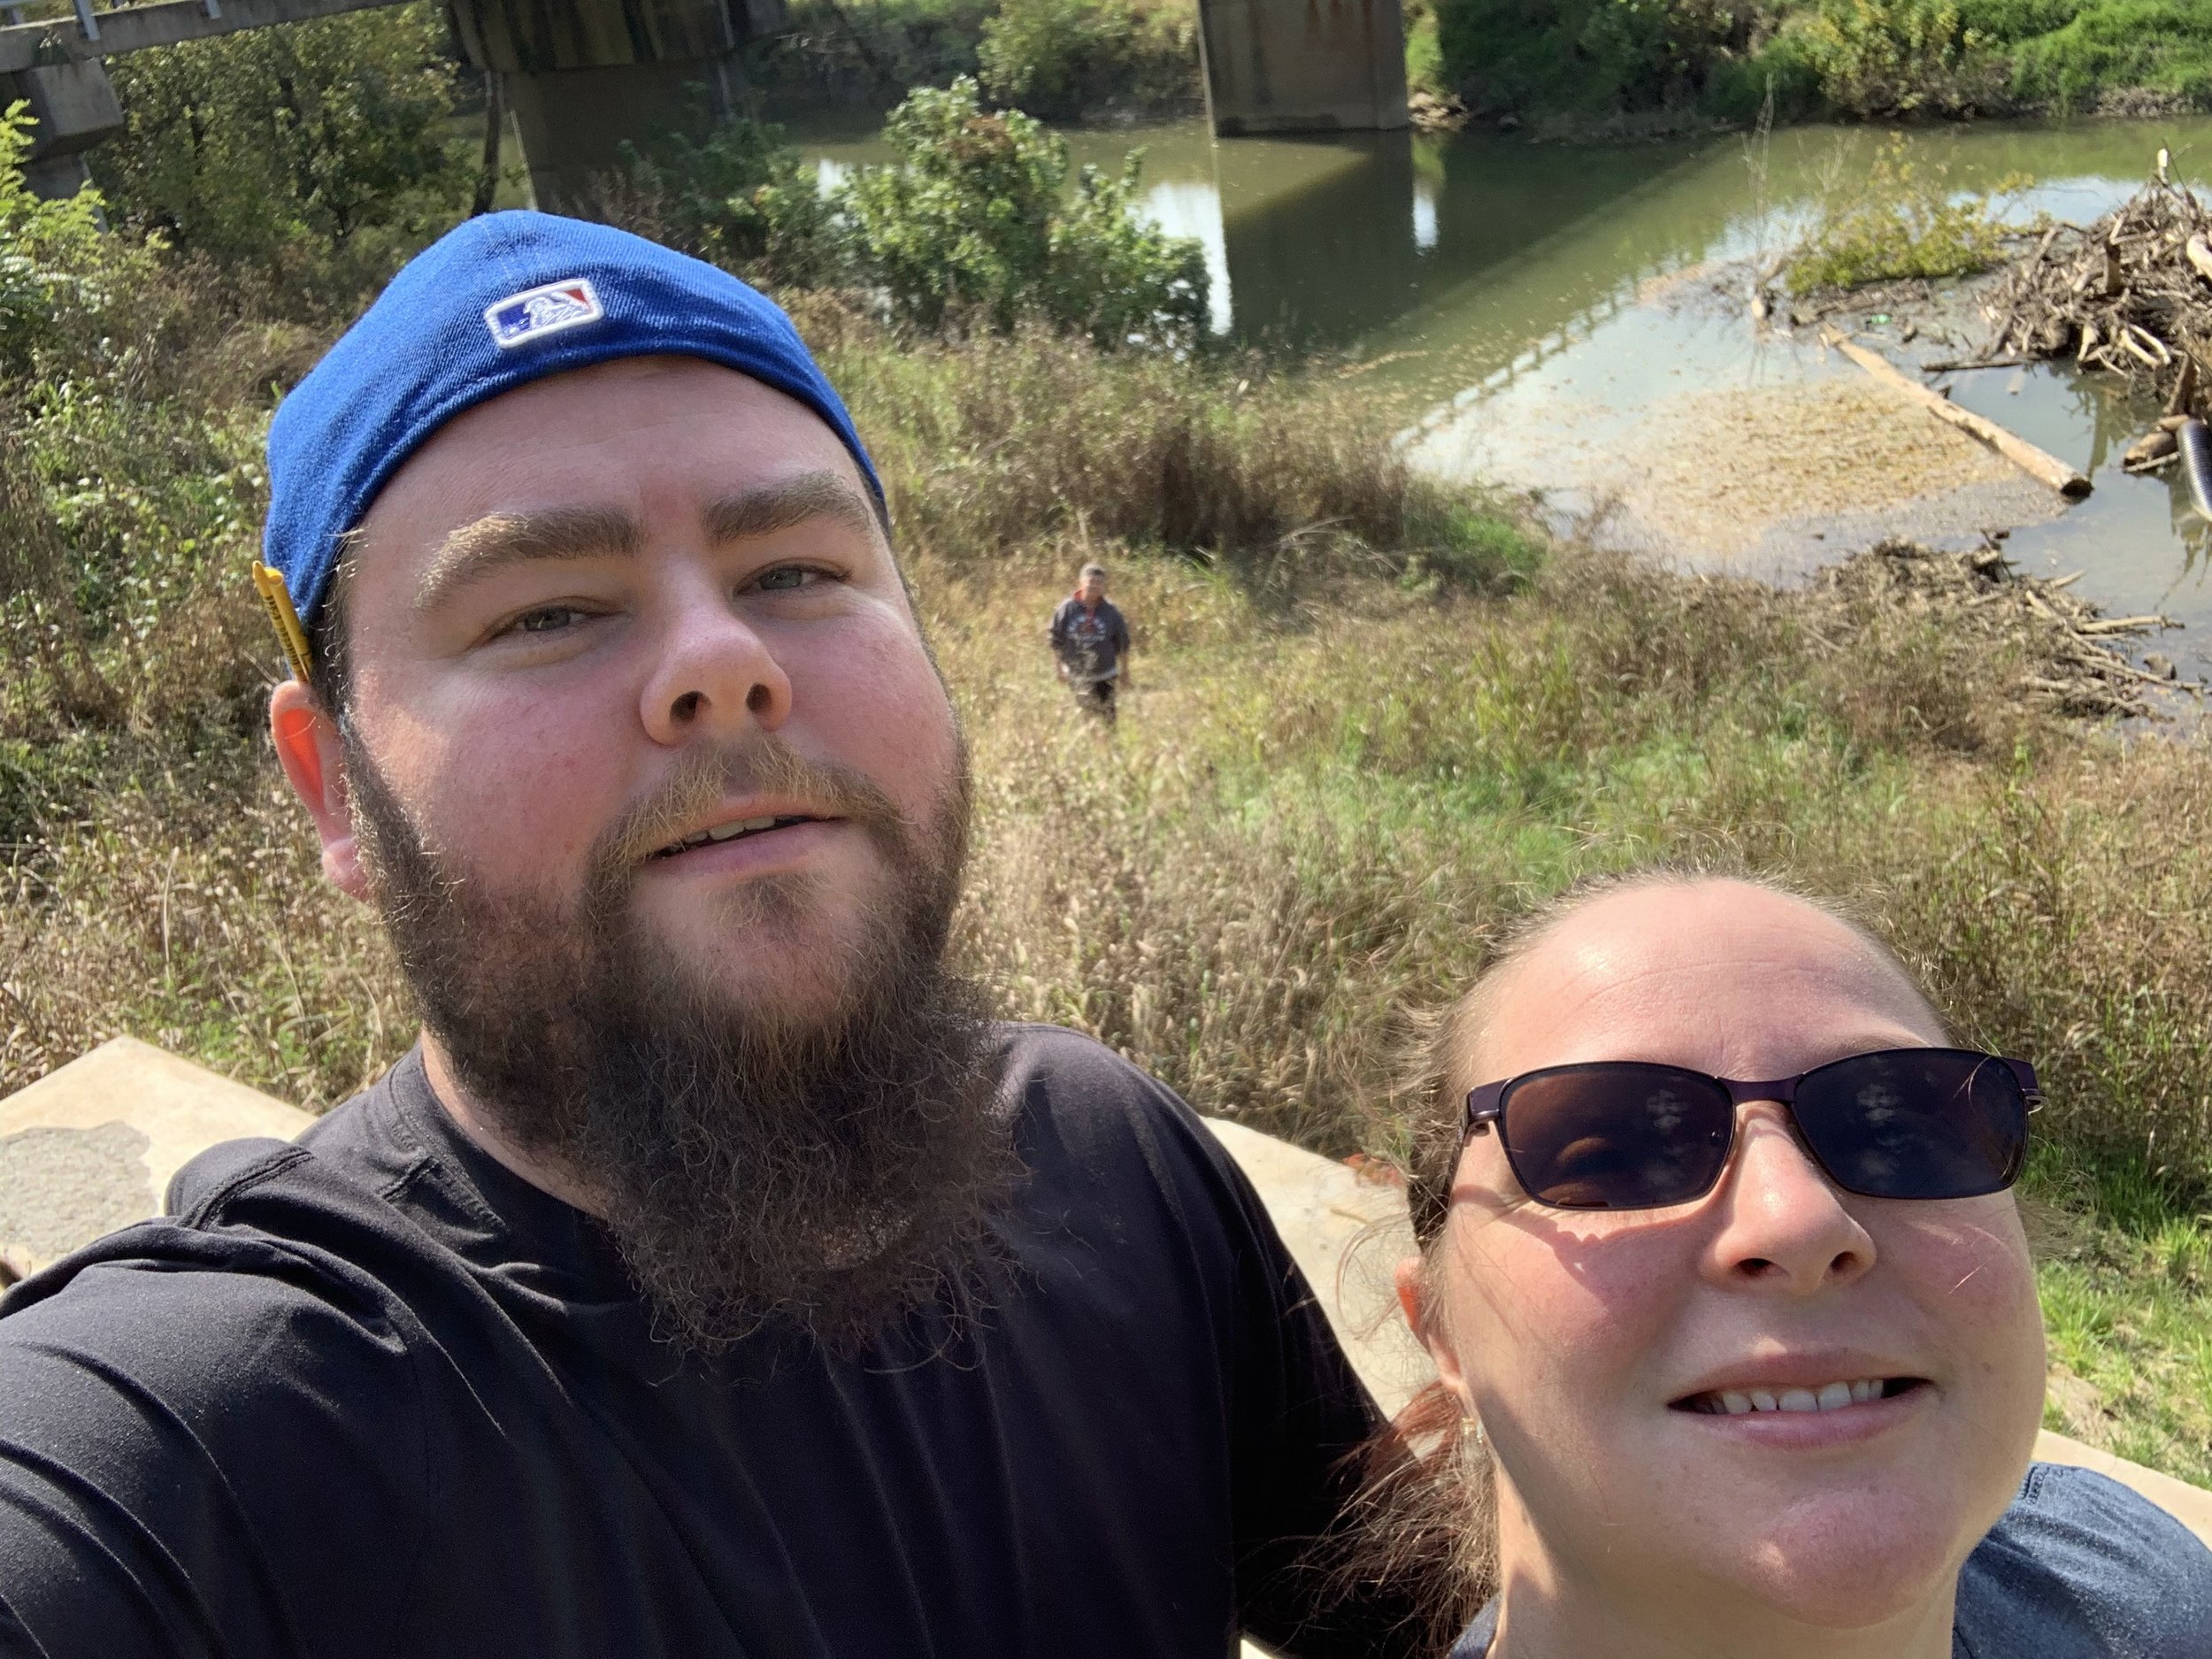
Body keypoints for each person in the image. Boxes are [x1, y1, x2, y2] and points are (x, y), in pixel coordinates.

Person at [0, 213, 1420, 1658]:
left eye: (797, 572)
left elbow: (1438, 1620)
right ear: (336, 789)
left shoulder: (1113, 1158)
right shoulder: (200, 1447)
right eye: (548, 609)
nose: (724, 664)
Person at [1383, 872, 2212, 1659]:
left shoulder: (2148, 1588)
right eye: (1614, 1156)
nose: (1803, 1219)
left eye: (1900, 1135)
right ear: (1442, 1330)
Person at [1048, 560, 1132, 722]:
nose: (1094, 586)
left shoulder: (1111, 612)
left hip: (1105, 673)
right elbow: (1055, 639)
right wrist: (1058, 668)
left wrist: (1125, 671)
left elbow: (1123, 642)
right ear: (1081, 583)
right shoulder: (1067, 609)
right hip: (1078, 674)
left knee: (1109, 718)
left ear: (1104, 586)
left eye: (1099, 583)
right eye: (1090, 581)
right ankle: (1091, 745)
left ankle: (1110, 746)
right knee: (1086, 718)